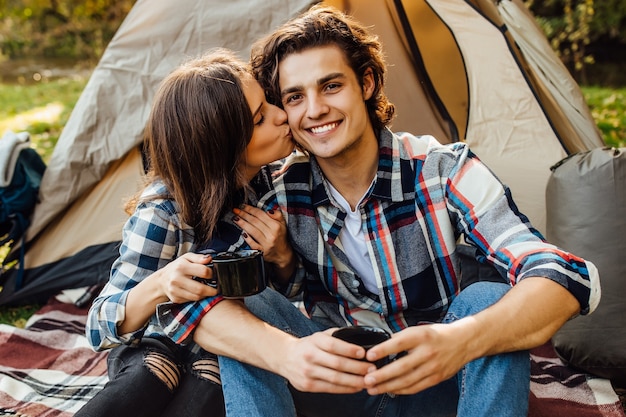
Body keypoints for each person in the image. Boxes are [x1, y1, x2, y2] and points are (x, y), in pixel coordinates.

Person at [158, 5, 601, 417]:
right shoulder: (274, 189)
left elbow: (563, 275)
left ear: (366, 83)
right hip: (334, 381)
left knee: (487, 299)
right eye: (294, 97)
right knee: (242, 299)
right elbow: (190, 302)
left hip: (437, 381)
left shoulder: (442, 170)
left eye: (331, 86)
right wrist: (286, 352)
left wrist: (458, 340)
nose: (315, 111)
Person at [75, 49, 296, 417]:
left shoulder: (273, 186)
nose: (281, 115)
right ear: (221, 148)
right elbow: (99, 326)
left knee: (212, 378)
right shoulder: (165, 214)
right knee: (154, 374)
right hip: (154, 344)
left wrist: (282, 256)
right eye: (260, 119)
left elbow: (291, 302)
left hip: (224, 347)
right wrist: (161, 284)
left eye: (269, 103)